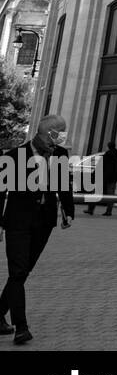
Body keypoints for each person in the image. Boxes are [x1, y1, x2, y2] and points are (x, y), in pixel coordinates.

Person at [0, 115, 75, 345]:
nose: (54, 145)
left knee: (22, 272)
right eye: (52, 139)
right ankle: (21, 327)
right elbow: (1, 193)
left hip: (44, 222)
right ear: (41, 134)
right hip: (17, 222)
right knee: (18, 271)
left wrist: (68, 211)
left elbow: (64, 185)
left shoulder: (60, 155)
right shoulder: (14, 157)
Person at [85, 140, 117, 217]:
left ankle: (91, 209)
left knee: (95, 194)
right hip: (112, 179)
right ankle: (109, 211)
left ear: (108, 147)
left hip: (102, 177)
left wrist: (93, 176)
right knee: (110, 195)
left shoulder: (105, 156)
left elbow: (99, 167)